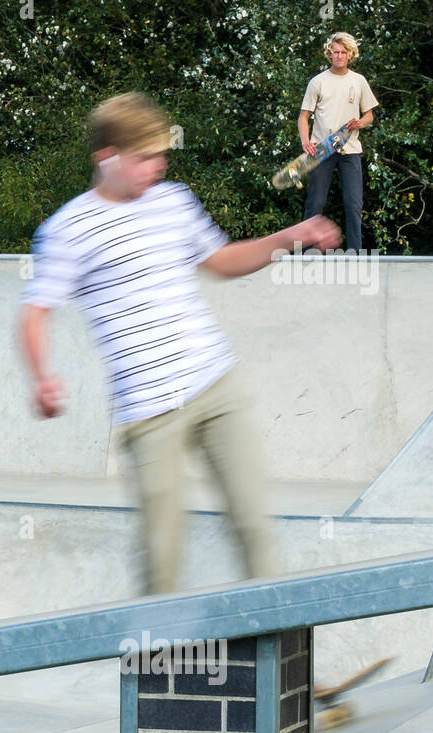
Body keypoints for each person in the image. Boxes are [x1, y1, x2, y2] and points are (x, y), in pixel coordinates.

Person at [19, 92, 341, 595]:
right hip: (148, 411)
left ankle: (282, 669)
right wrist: (42, 377)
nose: (158, 167)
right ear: (107, 158)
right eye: (144, 157)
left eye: (162, 155)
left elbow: (219, 261)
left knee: (253, 523)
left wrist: (287, 238)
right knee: (162, 551)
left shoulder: (173, 201)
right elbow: (35, 313)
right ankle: (152, 666)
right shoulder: (68, 229)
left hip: (215, 384)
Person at [298, 32, 378, 253]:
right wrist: (306, 142)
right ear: (329, 54)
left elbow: (369, 115)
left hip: (350, 150)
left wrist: (360, 123)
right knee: (316, 203)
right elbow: (303, 117)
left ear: (350, 55)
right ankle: (307, 252)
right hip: (322, 150)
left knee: (353, 204)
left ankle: (355, 253)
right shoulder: (318, 82)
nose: (340, 56)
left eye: (344, 52)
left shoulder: (358, 81)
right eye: (336, 52)